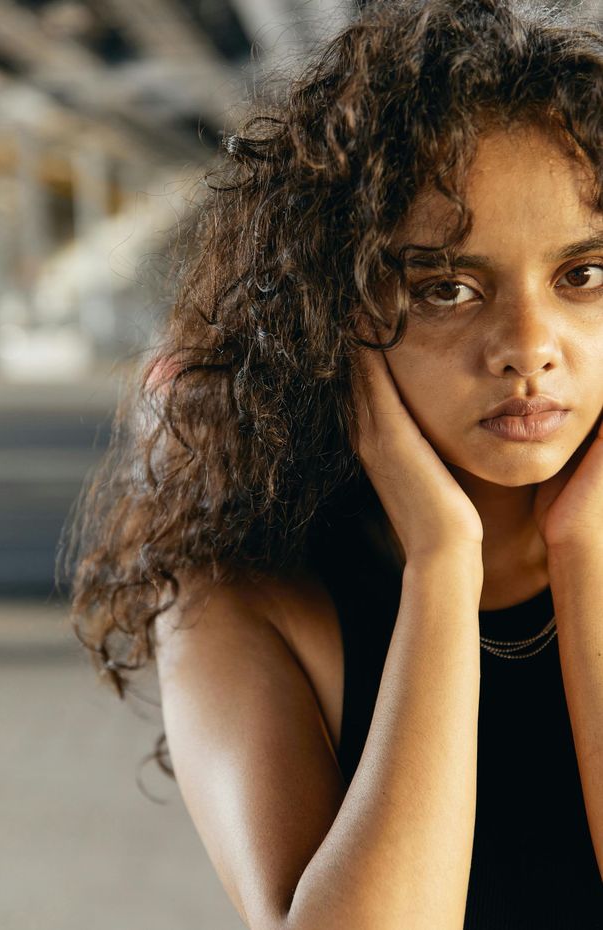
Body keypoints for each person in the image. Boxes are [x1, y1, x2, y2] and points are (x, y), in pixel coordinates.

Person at [60, 0, 603, 926]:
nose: (527, 346)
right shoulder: (240, 599)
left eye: (583, 275)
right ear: (333, 315)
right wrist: (441, 562)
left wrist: (583, 552)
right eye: (446, 288)